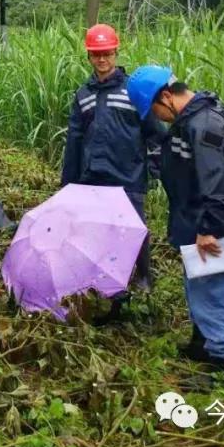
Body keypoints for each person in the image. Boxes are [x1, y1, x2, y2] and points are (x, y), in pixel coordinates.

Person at [128, 65, 224, 373]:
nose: (157, 119)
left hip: (215, 228)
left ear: (166, 97)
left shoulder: (204, 126)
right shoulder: (192, 119)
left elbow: (220, 186)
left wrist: (210, 231)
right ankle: (202, 343)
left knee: (218, 292)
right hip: (196, 222)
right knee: (201, 286)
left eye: (154, 110)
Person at [61, 23, 164, 323]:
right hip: (94, 178)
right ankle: (109, 287)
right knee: (101, 234)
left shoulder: (133, 91)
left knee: (135, 231)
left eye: (106, 54)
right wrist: (69, 183)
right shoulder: (84, 95)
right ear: (89, 57)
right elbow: (75, 141)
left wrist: (156, 170)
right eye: (96, 55)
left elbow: (154, 134)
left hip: (129, 176)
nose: (102, 60)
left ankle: (144, 278)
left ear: (116, 52)